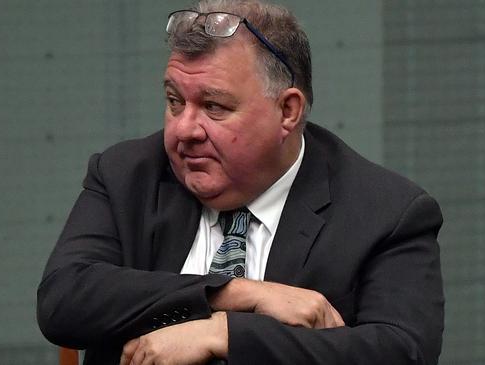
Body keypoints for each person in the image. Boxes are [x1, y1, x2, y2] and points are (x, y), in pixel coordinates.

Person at [37, 0, 444, 364]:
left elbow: (401, 350)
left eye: (214, 106)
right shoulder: (128, 174)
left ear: (287, 111)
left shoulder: (385, 212)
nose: (185, 129)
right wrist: (234, 293)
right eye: (175, 101)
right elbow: (63, 300)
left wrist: (226, 334)